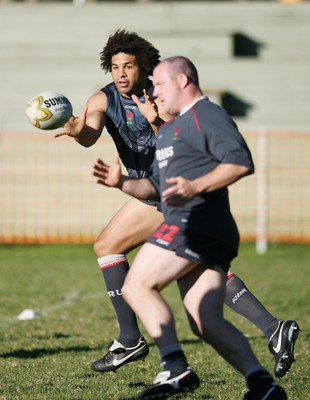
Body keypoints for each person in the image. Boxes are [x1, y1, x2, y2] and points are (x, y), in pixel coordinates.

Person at [56, 30, 300, 379]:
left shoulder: (161, 96)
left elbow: (180, 139)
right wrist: (77, 128)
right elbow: (89, 134)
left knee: (117, 250)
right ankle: (273, 331)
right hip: (152, 189)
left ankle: (135, 342)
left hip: (172, 189)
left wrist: (156, 120)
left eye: (128, 66)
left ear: (144, 68)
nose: (121, 73)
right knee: (195, 269)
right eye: (114, 67)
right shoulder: (102, 99)